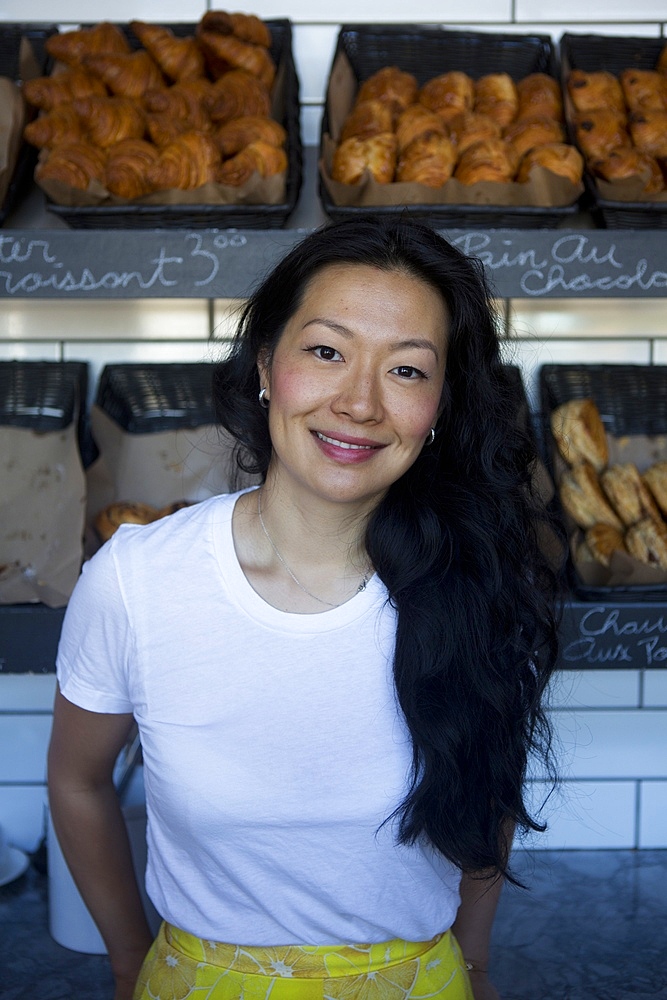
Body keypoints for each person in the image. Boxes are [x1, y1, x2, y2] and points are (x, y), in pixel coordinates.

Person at [48, 216, 563, 1000]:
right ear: (265, 365)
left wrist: (477, 964)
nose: (357, 403)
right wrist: (127, 959)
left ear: (439, 409)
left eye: (407, 371)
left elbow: (484, 801)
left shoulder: (477, 585)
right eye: (326, 351)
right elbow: (78, 782)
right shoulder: (138, 581)